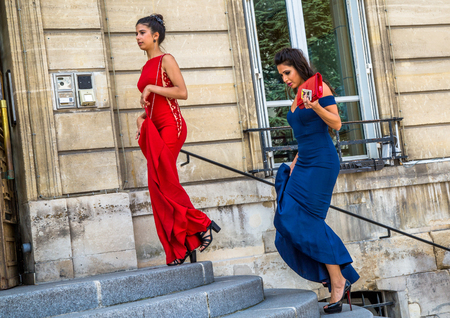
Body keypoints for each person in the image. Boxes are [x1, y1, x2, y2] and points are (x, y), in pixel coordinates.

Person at [273, 48, 359, 314]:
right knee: (287, 218)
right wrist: (294, 163)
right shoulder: (297, 95)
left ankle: (337, 280)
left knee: (309, 220)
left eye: (287, 72)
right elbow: (304, 136)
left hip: (322, 162)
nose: (285, 79)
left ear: (298, 66)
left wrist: (316, 106)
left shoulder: (318, 88)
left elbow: (336, 123)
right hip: (304, 162)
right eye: (281, 75)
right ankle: (334, 275)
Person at [135, 14, 220, 266]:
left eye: (142, 33)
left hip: (172, 125)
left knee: (166, 181)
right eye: (137, 34)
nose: (138, 38)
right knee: (156, 185)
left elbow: (181, 93)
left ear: (155, 35)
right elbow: (153, 102)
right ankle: (180, 245)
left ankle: (201, 225)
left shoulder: (166, 59)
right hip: (155, 127)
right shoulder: (145, 67)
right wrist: (140, 118)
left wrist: (151, 89)